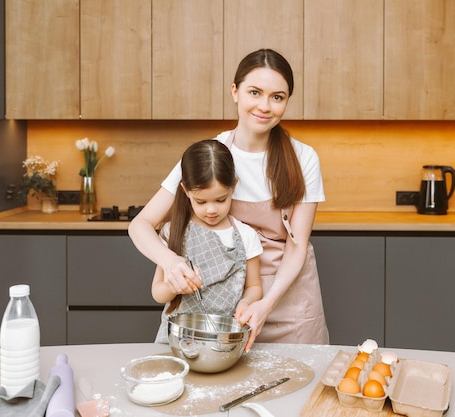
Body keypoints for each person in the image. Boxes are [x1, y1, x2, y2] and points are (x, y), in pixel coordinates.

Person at [129, 48, 329, 348]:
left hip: (287, 299)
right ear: (235, 92)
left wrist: (266, 303)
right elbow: (141, 224)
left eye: (277, 97)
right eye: (254, 92)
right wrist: (169, 262)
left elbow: (297, 245)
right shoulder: (213, 155)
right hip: (222, 304)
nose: (265, 106)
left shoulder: (303, 158)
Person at [150, 139, 263, 349]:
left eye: (221, 200)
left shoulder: (246, 236)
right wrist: (173, 286)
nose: (211, 210)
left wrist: (246, 303)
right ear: (186, 191)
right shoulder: (173, 231)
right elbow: (158, 293)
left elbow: (254, 286)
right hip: (176, 340)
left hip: (224, 340)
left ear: (234, 187)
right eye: (201, 202)